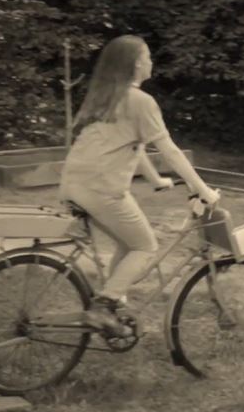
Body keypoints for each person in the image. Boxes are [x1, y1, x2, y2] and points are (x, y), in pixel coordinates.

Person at [58, 35, 220, 336]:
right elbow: (169, 150)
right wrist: (202, 189)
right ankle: (104, 307)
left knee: (127, 242)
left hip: (74, 183)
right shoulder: (140, 101)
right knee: (145, 246)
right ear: (136, 64)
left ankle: (115, 303)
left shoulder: (107, 97)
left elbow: (136, 145)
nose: (151, 62)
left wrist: (155, 179)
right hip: (101, 189)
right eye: (148, 56)